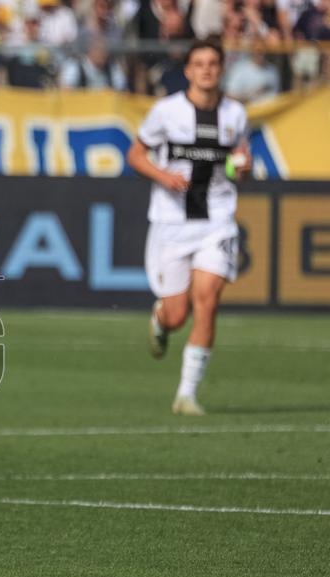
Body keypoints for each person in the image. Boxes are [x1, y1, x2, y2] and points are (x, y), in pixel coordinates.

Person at [126, 40, 251, 416]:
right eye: (199, 63)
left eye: (213, 63)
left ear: (221, 68)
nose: (206, 70)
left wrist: (241, 168)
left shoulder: (235, 114)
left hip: (217, 219)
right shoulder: (166, 112)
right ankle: (161, 319)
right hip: (172, 221)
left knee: (208, 301)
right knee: (178, 314)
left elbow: (238, 165)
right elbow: (135, 154)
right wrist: (162, 176)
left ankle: (187, 394)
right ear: (188, 71)